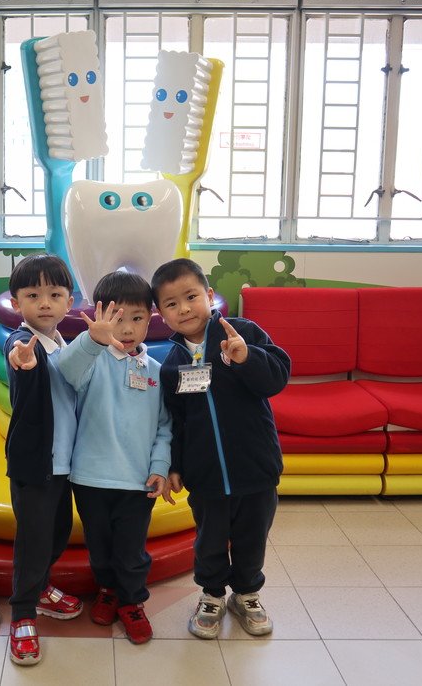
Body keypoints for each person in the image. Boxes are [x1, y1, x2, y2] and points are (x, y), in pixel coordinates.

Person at [151, 258, 290, 640]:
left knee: (251, 539)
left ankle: (246, 594)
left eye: (191, 297)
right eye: (172, 303)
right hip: (206, 476)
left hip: (255, 467)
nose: (184, 309)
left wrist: (247, 357)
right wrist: (176, 465)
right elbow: (177, 421)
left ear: (209, 295)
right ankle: (212, 595)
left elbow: (278, 376)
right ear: (161, 313)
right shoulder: (171, 365)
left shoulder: (242, 332)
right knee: (209, 541)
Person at [58, 270, 171, 646]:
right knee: (100, 545)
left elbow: (164, 427)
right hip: (90, 478)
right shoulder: (92, 359)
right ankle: (107, 589)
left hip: (137, 481)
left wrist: (160, 467)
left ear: (150, 319)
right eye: (116, 318)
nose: (126, 328)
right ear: (99, 315)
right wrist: (92, 338)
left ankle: (132, 601)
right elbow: (66, 369)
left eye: (137, 318)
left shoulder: (155, 371)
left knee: (131, 549)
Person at [2, 254, 84, 666]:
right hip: (35, 464)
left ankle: (41, 587)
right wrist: (24, 363)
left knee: (58, 532)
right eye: (33, 295)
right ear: (16, 303)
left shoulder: (64, 343)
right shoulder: (22, 341)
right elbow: (21, 360)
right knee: (33, 541)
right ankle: (22, 613)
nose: (45, 303)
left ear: (69, 301)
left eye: (54, 294)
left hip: (65, 462)